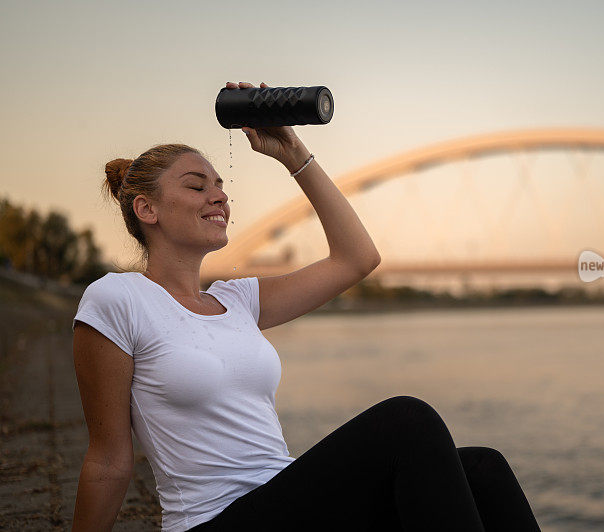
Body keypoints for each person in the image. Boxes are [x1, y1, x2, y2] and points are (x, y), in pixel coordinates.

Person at [71, 81, 541, 532]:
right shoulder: (118, 299)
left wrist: (294, 156)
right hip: (215, 520)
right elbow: (109, 459)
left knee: (483, 468)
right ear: (145, 210)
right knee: (407, 421)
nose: (219, 195)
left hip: (285, 502)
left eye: (219, 184)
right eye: (197, 186)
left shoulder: (237, 300)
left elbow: (358, 259)